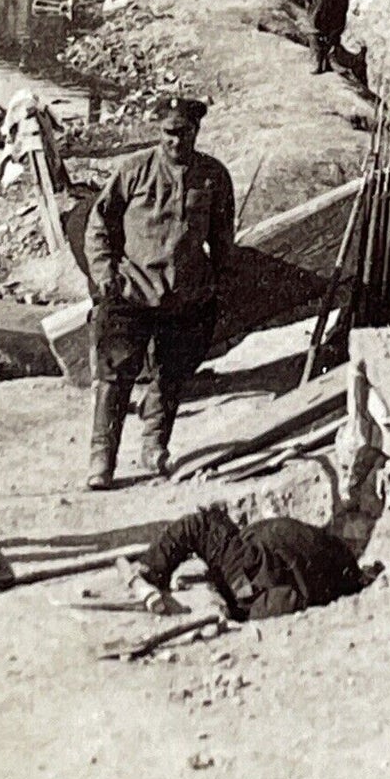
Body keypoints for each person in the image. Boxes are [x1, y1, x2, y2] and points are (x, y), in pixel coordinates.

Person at [84, 97, 235, 489]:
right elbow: (99, 224)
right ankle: (102, 457)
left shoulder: (213, 176)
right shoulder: (134, 171)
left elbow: (222, 238)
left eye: (183, 133)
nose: (175, 142)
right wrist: (104, 273)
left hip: (184, 295)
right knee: (115, 376)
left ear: (196, 132)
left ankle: (154, 446)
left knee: (171, 375)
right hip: (132, 290)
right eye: (169, 133)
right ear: (159, 132)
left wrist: (218, 281)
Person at [123, 504, 366, 620]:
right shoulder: (244, 552)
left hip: (298, 565)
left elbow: (287, 599)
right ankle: (153, 570)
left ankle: (153, 570)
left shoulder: (248, 569)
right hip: (290, 554)